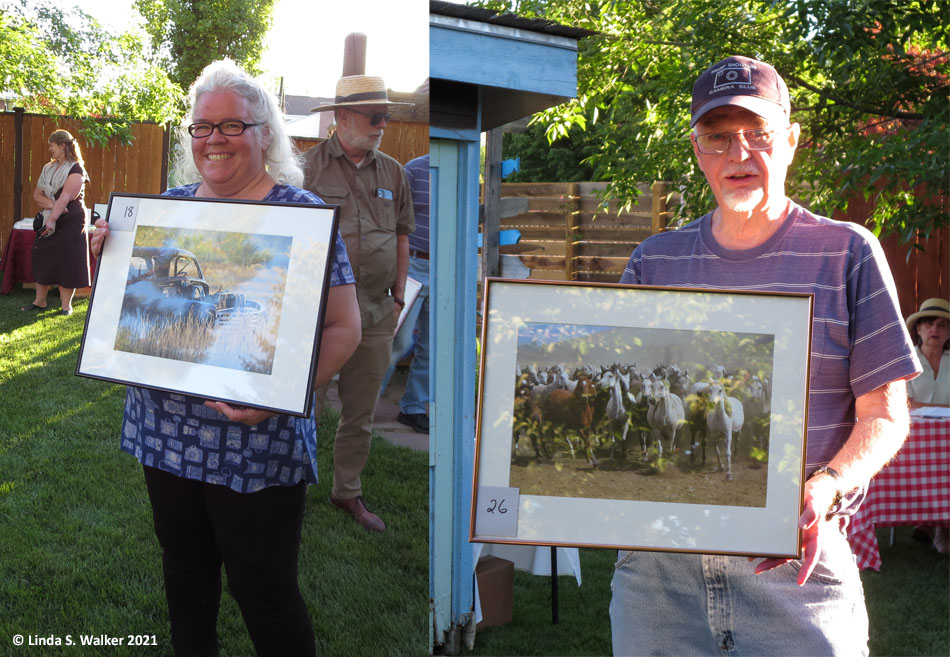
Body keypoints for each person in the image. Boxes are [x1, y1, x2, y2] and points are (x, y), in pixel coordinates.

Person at [610, 56, 921, 656]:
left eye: (759, 134)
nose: (739, 154)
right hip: (658, 577)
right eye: (719, 137)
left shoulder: (847, 253)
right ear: (698, 149)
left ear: (792, 142)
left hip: (794, 569)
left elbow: (885, 413)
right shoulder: (654, 260)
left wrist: (828, 484)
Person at [90, 59, 362, 657]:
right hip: (163, 434)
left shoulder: (304, 215)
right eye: (202, 127)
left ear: (264, 133)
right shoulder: (165, 210)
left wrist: (278, 397)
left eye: (231, 125)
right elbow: (131, 311)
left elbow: (345, 328)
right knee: (185, 580)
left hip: (256, 446)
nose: (213, 139)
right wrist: (107, 261)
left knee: (264, 591)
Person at [302, 75, 415, 533]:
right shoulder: (306, 169)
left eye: (385, 116)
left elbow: (403, 235)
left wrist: (398, 297)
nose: (382, 125)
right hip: (318, 313)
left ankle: (346, 491)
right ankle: (291, 482)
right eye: (374, 116)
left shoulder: (393, 172)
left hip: (374, 311)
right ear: (341, 118)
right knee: (303, 399)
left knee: (361, 411)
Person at [382, 153, 431, 434]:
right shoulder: (414, 170)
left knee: (433, 345)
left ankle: (413, 408)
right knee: (397, 339)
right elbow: (395, 219)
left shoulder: (458, 170)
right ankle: (366, 402)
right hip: (413, 264)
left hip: (446, 264)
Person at [23, 129, 91, 315]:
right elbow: (38, 195)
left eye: (52, 145)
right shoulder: (48, 168)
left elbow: (66, 197)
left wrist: (52, 220)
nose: (49, 149)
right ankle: (40, 302)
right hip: (50, 215)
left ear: (62, 146)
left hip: (70, 221)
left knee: (67, 260)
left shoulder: (77, 169)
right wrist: (52, 207)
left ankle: (65, 306)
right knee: (41, 255)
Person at [905, 298, 949, 406]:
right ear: (918, 329)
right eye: (929, 323)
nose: (935, 329)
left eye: (942, 325)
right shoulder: (906, 361)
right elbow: (905, 404)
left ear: (949, 333)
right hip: (912, 423)